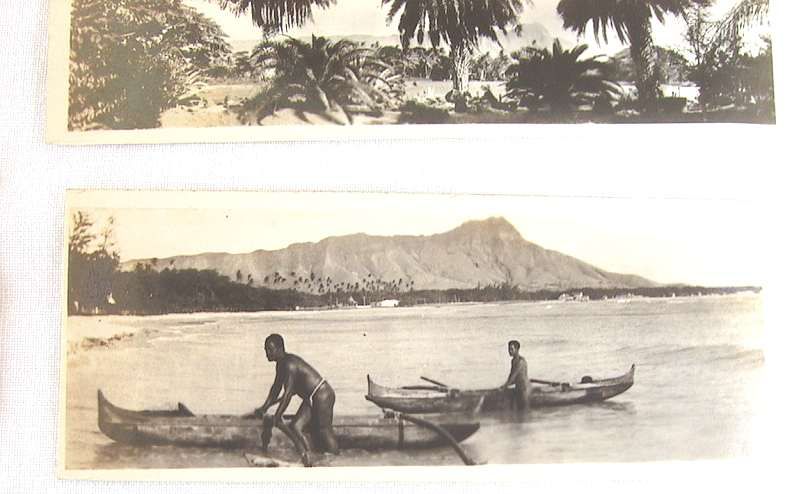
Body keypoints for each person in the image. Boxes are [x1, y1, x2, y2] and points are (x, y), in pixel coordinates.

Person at [254, 334, 339, 456]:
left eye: (270, 349)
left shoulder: (290, 365)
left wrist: (277, 416)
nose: (267, 353)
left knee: (324, 429)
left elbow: (288, 394)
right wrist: (264, 408)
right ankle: (309, 454)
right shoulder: (281, 364)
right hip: (311, 398)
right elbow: (275, 390)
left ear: (279, 349)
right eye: (265, 350)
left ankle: (336, 458)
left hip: (322, 395)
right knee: (295, 426)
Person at [501, 339, 529, 410]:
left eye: (511, 349)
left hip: (523, 390)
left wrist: (505, 386)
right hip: (517, 388)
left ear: (517, 350)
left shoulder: (521, 361)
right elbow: (511, 376)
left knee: (522, 410)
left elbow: (514, 376)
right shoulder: (513, 361)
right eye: (509, 349)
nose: (509, 351)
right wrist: (505, 385)